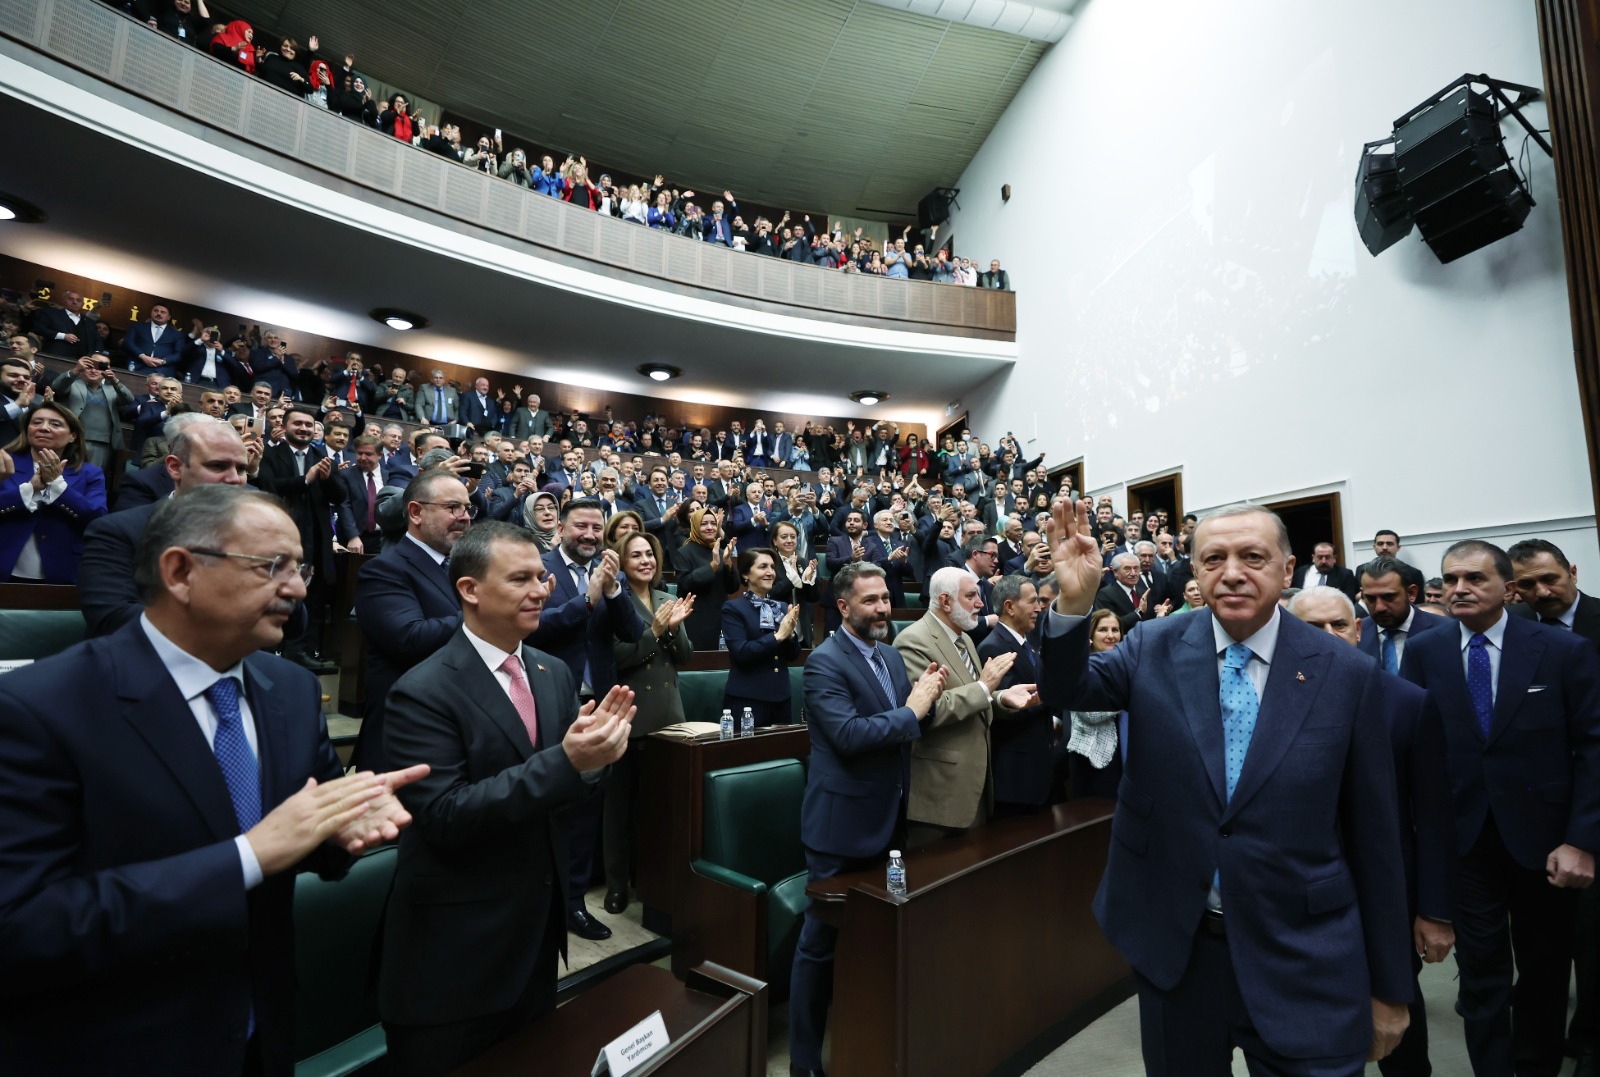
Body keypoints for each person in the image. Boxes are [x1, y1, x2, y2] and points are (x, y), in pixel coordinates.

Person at [0, 485, 425, 1075]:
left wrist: (345, 828)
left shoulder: (291, 691)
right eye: (272, 567)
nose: (299, 589)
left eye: (300, 569)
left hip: (261, 1031)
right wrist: (247, 855)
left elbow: (306, 834)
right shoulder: (38, 709)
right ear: (180, 572)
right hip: (116, 1046)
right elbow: (22, 926)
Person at [1038, 498, 1413, 1074]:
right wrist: (1072, 603)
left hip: (1303, 952)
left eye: (1253, 557)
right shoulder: (1151, 645)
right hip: (1178, 947)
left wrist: (1389, 987)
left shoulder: (1347, 674)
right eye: (1214, 559)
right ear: (1194, 570)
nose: (1232, 573)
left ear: (1287, 570)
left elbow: (1376, 838)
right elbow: (1067, 690)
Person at [377, 521, 635, 1076]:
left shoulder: (552, 672)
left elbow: (569, 785)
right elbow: (444, 815)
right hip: (456, 955)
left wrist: (597, 761)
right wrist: (569, 762)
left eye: (542, 577)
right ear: (470, 590)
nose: (541, 590)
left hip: (536, 941)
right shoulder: (422, 691)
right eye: (521, 579)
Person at [1399, 539, 1600, 1077]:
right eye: (1450, 579)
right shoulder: (1425, 651)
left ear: (1508, 588)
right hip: (1463, 842)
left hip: (1547, 843)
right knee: (1481, 974)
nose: (1459, 589)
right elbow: (1414, 748)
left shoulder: (1561, 650)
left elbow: (1592, 746)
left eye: (1474, 578)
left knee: (1544, 970)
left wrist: (1582, 839)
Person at [1288, 585, 1458, 1077]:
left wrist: (1435, 911)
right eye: (1311, 627)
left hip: (1388, 896)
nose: (1328, 636)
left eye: (1339, 625)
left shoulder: (1408, 703)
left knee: (1399, 1028)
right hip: (1300, 897)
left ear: (1358, 630)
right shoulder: (1263, 702)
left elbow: (1434, 817)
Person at [789, 561, 946, 1077]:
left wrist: (930, 701)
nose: (883, 608)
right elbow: (850, 735)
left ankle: (867, 1044)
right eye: (871, 601)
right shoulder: (823, 662)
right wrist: (913, 710)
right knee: (819, 946)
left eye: (885, 598)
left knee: (876, 936)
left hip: (890, 817)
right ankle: (803, 1061)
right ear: (843, 606)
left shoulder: (890, 655)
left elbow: (907, 722)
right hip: (841, 826)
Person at [532, 497, 644, 942]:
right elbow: (534, 628)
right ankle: (540, 903)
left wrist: (612, 591)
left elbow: (633, 633)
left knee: (585, 809)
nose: (590, 535)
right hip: (546, 702)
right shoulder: (539, 568)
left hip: (597, 706)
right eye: (581, 526)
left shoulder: (609, 572)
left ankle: (574, 903)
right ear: (561, 528)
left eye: (598, 528)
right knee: (546, 804)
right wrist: (588, 597)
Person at [1507, 538, 1600, 1070]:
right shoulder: (1513, 630)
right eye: (1528, 584)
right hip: (1536, 811)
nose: (1542, 592)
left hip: (1592, 798)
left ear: (1572, 571)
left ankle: (1589, 1039)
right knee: (1543, 941)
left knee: (1593, 936)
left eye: (1551, 579)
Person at [894, 566, 1036, 847]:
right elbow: (927, 710)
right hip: (940, 795)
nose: (981, 603)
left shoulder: (965, 638)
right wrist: (985, 687)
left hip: (974, 785)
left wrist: (1001, 697)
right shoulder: (912, 641)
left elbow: (976, 696)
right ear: (945, 601)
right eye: (971, 596)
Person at [79, 418, 254, 636]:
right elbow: (112, 618)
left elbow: (287, 617)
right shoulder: (116, 532)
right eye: (218, 466)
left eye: (242, 469)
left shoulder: (256, 531)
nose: (235, 479)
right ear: (175, 467)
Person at [351, 470, 472, 771]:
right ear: (416, 512)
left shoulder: (465, 568)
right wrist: (483, 614)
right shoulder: (384, 570)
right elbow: (408, 639)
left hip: (459, 732)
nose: (465, 517)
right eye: (453, 507)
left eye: (468, 508)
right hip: (405, 742)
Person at [606, 531, 694, 912]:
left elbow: (684, 656)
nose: (646, 561)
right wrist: (655, 631)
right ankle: (616, 885)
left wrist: (672, 630)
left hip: (668, 715)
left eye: (650, 554)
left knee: (658, 807)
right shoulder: (615, 599)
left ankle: (649, 879)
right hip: (629, 714)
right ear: (622, 562)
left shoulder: (666, 598)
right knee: (620, 810)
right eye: (636, 555)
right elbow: (618, 658)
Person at [0, 401, 107, 582]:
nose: (44, 428)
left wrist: (58, 486)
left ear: (72, 436)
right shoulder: (4, 463)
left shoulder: (90, 473)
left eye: (55, 424)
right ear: (27, 431)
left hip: (62, 569)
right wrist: (28, 489)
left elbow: (98, 519)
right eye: (36, 422)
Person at [979, 574, 1056, 816]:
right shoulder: (994, 646)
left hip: (1035, 767)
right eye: (1032, 601)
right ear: (1010, 607)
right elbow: (1011, 710)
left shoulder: (1025, 643)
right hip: (1015, 775)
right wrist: (1055, 692)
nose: (1038, 608)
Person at [722, 547, 804, 728]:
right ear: (746, 574)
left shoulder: (781, 607)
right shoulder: (733, 609)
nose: (770, 572)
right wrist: (778, 636)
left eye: (772, 567)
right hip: (747, 699)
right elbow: (741, 653)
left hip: (781, 697)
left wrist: (790, 635)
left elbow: (793, 655)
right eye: (763, 567)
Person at [1063, 609, 1127, 801]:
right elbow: (1090, 713)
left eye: (1115, 630)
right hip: (1091, 757)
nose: (1110, 635)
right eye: (1103, 630)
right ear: (1090, 634)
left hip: (1123, 753)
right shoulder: (1078, 665)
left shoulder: (1125, 663)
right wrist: (1129, 699)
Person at [1358, 555, 1454, 674]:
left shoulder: (1447, 630)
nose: (1379, 607)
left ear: (1411, 593)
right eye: (1370, 598)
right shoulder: (1355, 633)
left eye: (1389, 597)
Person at [50, 355, 134, 471]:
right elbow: (57, 387)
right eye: (89, 366)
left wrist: (114, 381)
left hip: (102, 442)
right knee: (66, 472)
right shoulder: (72, 384)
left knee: (93, 475)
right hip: (73, 439)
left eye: (100, 367)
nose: (94, 370)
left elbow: (129, 399)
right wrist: (75, 370)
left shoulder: (112, 390)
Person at [673, 506, 738, 650]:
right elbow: (686, 584)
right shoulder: (684, 552)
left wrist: (727, 562)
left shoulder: (721, 551)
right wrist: (713, 565)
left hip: (722, 618)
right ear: (695, 526)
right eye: (704, 524)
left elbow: (733, 588)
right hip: (696, 620)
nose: (710, 527)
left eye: (713, 523)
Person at [1292, 541, 1361, 603]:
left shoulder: (1345, 575)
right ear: (1313, 558)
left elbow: (1348, 601)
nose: (1323, 561)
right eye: (1320, 557)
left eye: (1327, 557)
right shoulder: (1301, 572)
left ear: (1334, 558)